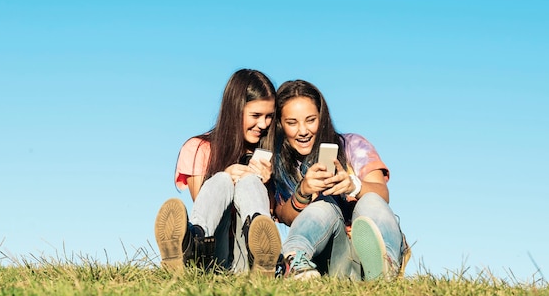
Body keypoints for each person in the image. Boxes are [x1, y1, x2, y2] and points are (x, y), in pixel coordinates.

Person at [271, 79, 411, 280]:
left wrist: (354, 186)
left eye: (310, 120)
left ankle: (385, 267)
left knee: (370, 199)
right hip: (335, 256)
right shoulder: (281, 164)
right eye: (292, 123)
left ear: (322, 118)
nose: (303, 131)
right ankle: (294, 261)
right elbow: (283, 215)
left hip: (366, 249)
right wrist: (303, 192)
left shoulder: (352, 145)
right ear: (281, 125)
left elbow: (382, 195)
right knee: (324, 204)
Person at [154, 69, 282, 276]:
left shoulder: (270, 153)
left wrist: (264, 183)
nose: (263, 124)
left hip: (245, 255)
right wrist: (226, 175)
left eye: (269, 117)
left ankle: (262, 258)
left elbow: (275, 217)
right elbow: (202, 203)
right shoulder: (198, 148)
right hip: (214, 250)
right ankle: (190, 245)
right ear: (235, 110)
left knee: (250, 183)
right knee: (221, 179)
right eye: (256, 116)